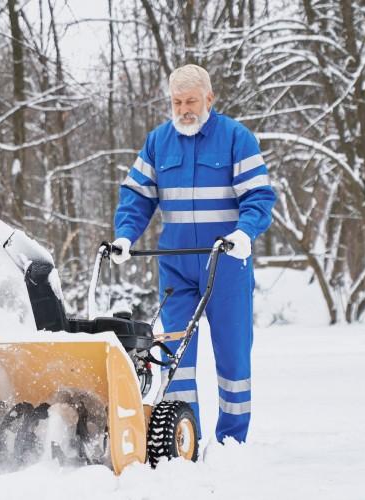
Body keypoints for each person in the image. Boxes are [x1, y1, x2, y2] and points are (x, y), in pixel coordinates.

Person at [111, 64, 275, 443]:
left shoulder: (237, 137)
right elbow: (136, 197)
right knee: (175, 356)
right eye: (177, 101)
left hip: (226, 262)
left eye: (191, 101)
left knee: (233, 356)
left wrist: (244, 232)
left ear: (209, 98)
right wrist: (124, 237)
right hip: (177, 265)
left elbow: (259, 196)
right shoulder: (158, 142)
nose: (184, 109)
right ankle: (186, 436)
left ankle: (232, 441)